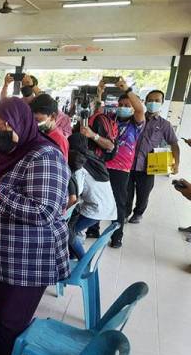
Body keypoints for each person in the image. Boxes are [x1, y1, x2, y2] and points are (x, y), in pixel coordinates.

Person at [0, 97, 70, 355]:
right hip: (2, 256)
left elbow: (44, 212)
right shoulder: (5, 154)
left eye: (4, 127)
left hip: (29, 260)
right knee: (3, 314)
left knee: (12, 322)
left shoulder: (45, 155)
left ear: (21, 122)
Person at [126, 89, 180, 225]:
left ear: (162, 103)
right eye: (150, 100)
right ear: (145, 102)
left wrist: (176, 163)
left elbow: (174, 144)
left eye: (157, 101)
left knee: (143, 194)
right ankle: (124, 213)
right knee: (126, 192)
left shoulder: (164, 125)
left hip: (147, 167)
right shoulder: (135, 118)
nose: (153, 103)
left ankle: (138, 214)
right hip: (128, 164)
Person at [103, 79, 146, 247]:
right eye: (120, 104)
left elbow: (140, 109)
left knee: (119, 203)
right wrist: (100, 92)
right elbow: (97, 113)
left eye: (127, 105)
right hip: (103, 164)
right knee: (96, 198)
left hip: (121, 168)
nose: (123, 107)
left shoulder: (136, 124)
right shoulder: (111, 119)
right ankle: (92, 229)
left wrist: (128, 90)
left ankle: (117, 236)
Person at [67, 133, 117, 259]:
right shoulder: (92, 157)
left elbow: (76, 194)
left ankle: (82, 261)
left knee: (67, 231)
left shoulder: (79, 165)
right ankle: (73, 258)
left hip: (96, 208)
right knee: (72, 230)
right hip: (107, 205)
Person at [30, 93, 69, 160]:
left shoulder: (60, 140)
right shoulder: (40, 134)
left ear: (52, 116)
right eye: (33, 120)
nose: (35, 124)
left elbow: (61, 167)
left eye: (38, 120)